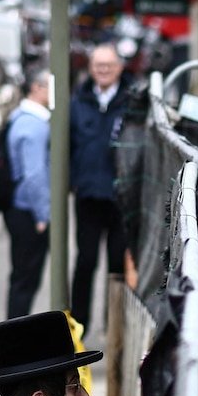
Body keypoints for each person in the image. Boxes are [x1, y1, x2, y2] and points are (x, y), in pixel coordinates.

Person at [68, 44, 131, 329]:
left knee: (117, 265)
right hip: (88, 195)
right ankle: (78, 326)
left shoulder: (131, 101)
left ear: (119, 67)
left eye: (108, 65)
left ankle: (114, 326)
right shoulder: (78, 102)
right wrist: (73, 182)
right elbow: (65, 145)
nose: (103, 70)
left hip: (120, 198)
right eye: (98, 65)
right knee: (85, 262)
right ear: (90, 68)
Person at [5, 71, 52, 319]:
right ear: (37, 87)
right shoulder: (34, 126)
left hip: (20, 208)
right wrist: (42, 215)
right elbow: (34, 175)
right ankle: (15, 338)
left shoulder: (20, 118)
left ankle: (15, 333)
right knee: (25, 279)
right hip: (28, 211)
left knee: (21, 277)